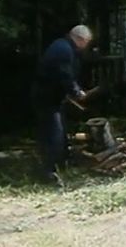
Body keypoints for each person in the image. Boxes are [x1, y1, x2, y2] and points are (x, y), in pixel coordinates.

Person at [33, 25, 93, 185]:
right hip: (47, 100)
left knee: (59, 131)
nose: (86, 46)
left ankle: (62, 162)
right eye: (87, 42)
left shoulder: (62, 45)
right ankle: (48, 173)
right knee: (54, 135)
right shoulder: (64, 51)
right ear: (80, 39)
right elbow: (64, 75)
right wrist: (76, 92)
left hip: (50, 98)